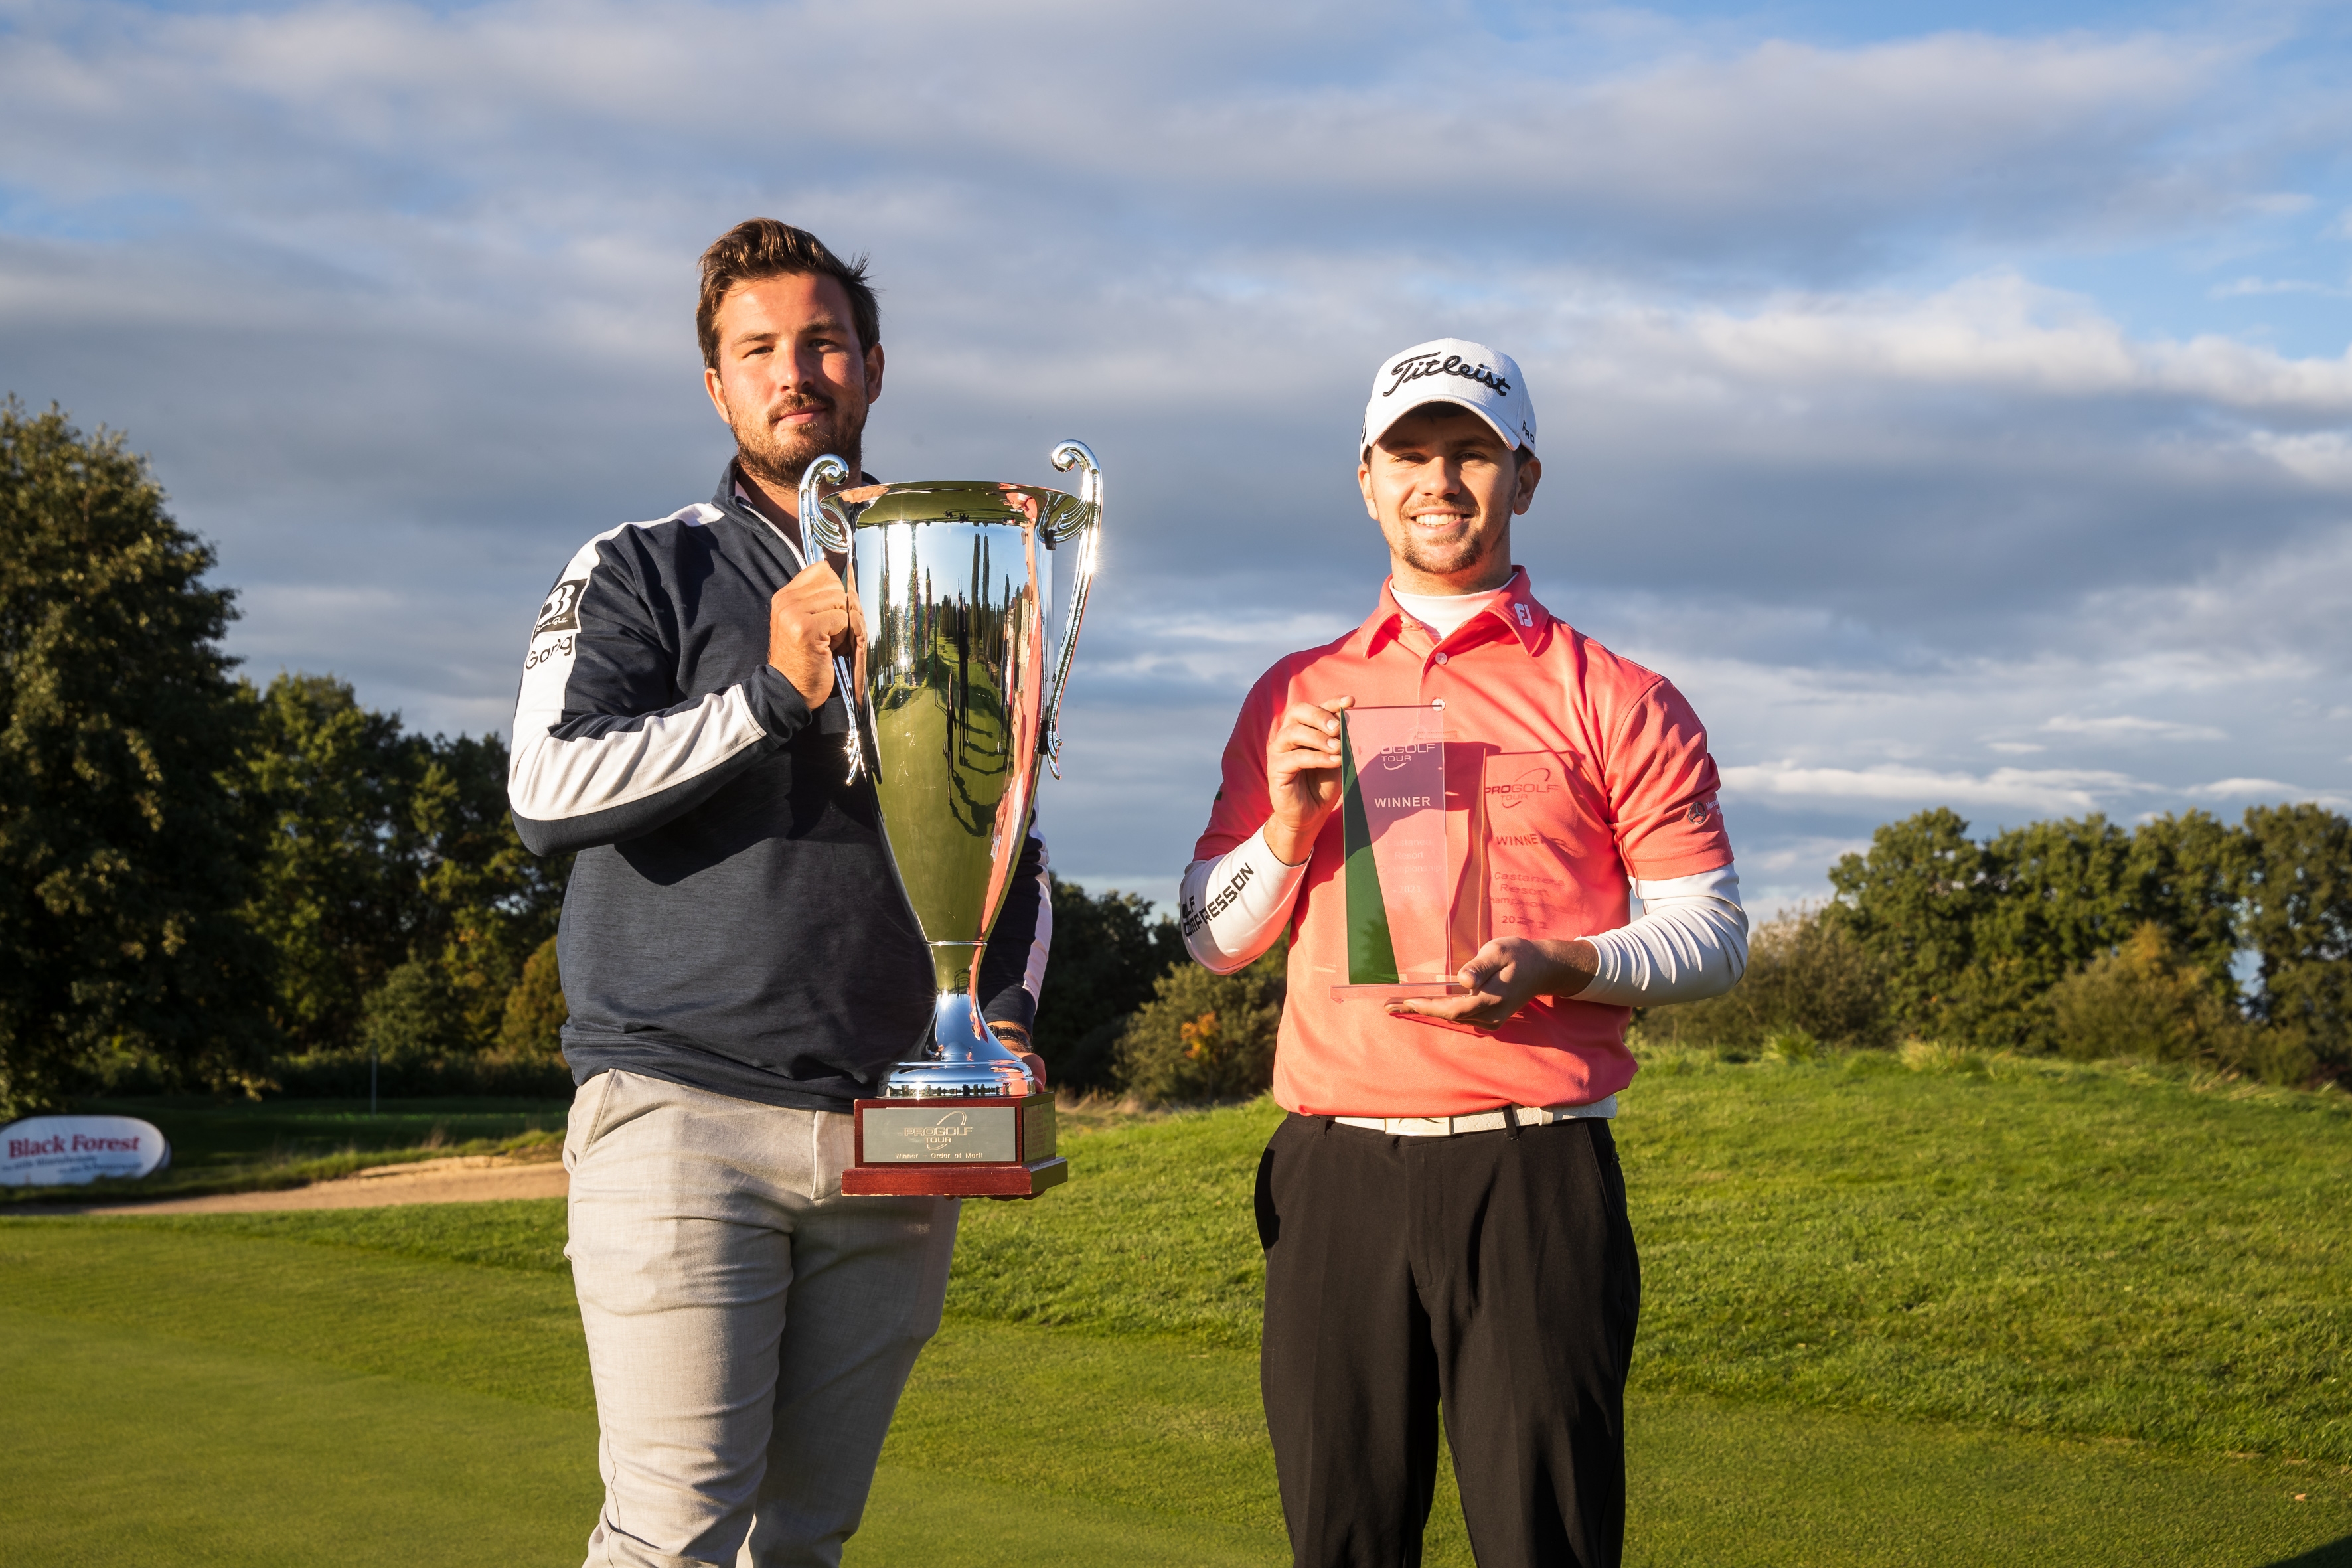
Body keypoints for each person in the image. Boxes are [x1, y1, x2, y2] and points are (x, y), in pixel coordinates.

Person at [507, 218, 1051, 1568]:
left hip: (893, 1119)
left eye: (820, 342)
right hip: (679, 1107)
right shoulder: (641, 562)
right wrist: (765, 692)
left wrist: (1006, 1018)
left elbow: (1016, 845)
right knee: (672, 1527)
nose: (792, 369)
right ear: (715, 386)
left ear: (869, 367)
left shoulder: (961, 569)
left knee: (806, 1533)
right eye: (757, 349)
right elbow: (545, 787)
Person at [1178, 338, 1748, 1568]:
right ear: (1368, 482)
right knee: (1342, 1539)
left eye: (1472, 453)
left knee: (1546, 1542)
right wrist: (1286, 827)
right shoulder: (1295, 692)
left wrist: (1563, 961)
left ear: (1525, 477)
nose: (1440, 481)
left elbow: (1709, 934)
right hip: (1335, 1172)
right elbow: (1213, 936)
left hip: (1536, 1175)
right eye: (1411, 455)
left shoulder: (1620, 696)